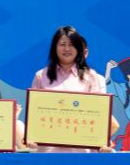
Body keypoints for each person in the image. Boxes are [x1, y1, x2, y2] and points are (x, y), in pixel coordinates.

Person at [29, 25, 116, 153]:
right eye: (62, 44)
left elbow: (99, 114)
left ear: (78, 48)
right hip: (49, 152)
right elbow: (34, 115)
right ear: (54, 47)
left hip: (81, 151)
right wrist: (32, 136)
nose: (67, 49)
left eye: (72, 45)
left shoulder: (91, 76)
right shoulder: (41, 76)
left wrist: (101, 140)